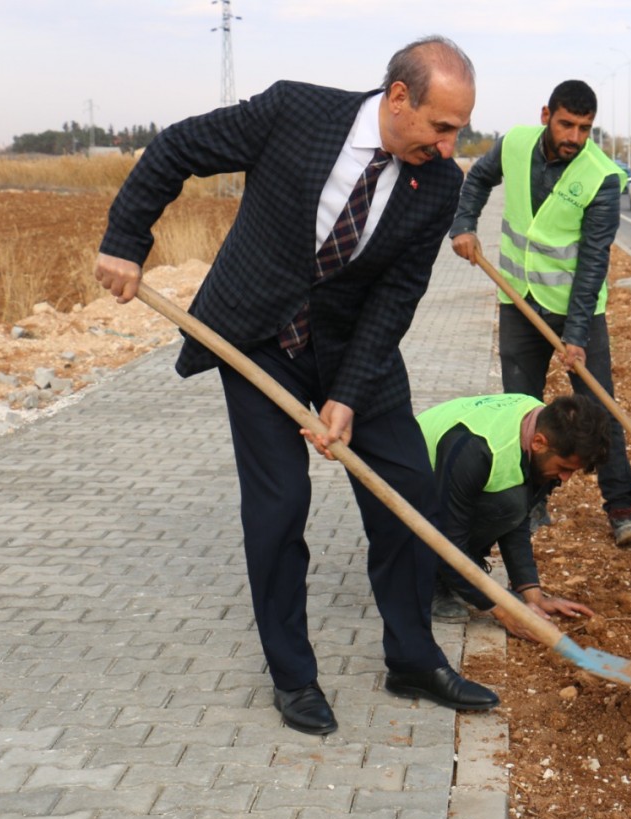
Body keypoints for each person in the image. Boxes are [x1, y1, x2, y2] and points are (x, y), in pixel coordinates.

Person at [94, 36, 500, 733]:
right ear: (398, 98)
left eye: (458, 128)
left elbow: (396, 296)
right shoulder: (294, 113)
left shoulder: (436, 184)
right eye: (441, 125)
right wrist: (127, 239)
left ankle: (412, 658)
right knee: (280, 504)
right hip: (256, 340)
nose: (449, 143)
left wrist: (345, 396)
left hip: (351, 346)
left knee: (407, 487)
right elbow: (177, 149)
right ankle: (293, 675)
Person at [449, 79, 631, 548]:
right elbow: (477, 178)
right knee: (524, 410)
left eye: (584, 128)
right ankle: (530, 506)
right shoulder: (515, 144)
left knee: (600, 410)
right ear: (546, 115)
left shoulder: (601, 177)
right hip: (518, 301)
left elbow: (593, 263)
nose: (574, 137)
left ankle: (621, 510)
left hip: (575, 311)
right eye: (566, 124)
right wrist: (463, 225)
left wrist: (576, 334)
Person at [416, 393, 609, 641]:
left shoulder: (541, 425)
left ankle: (462, 574)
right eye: (564, 468)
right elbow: (448, 539)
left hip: (445, 483)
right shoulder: (475, 450)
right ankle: (429, 578)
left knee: (512, 503)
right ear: (539, 442)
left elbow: (518, 518)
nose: (565, 479)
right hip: (398, 494)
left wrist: (533, 595)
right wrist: (504, 612)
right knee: (502, 505)